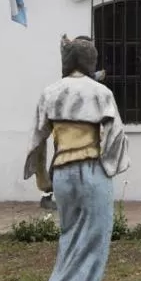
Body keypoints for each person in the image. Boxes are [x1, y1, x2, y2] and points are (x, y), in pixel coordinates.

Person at [23, 35, 131, 281]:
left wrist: (42, 177)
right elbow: (115, 137)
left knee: (71, 238)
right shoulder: (101, 93)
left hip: (62, 173)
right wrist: (110, 166)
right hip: (91, 168)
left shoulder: (50, 92)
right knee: (95, 239)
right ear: (90, 62)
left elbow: (38, 138)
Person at [37, 68, 108, 212]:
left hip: (76, 133)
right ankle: (47, 196)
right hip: (66, 134)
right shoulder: (69, 86)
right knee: (61, 164)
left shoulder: (76, 86)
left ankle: (75, 198)